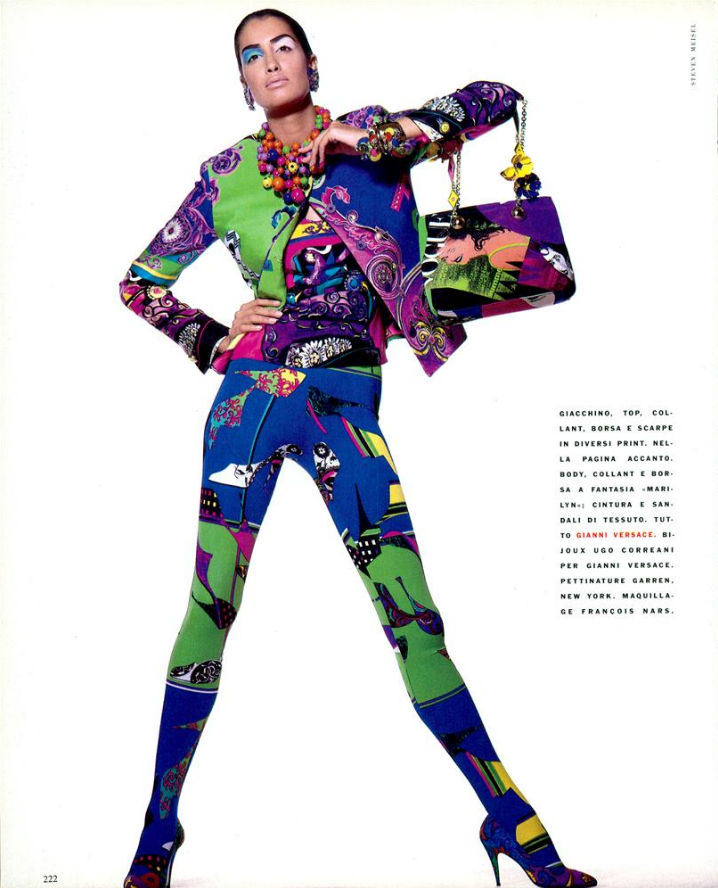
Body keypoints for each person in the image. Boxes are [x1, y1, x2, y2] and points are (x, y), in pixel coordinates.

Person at [120, 9, 596, 888]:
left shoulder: (375, 140)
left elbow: (497, 96)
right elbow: (139, 283)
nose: (270, 63)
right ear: (242, 82)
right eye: (252, 56)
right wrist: (213, 335)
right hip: (248, 404)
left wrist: (370, 137)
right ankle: (157, 834)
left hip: (346, 402)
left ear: (312, 61)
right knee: (208, 611)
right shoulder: (223, 176)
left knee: (414, 615)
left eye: (283, 47)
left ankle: (512, 820)